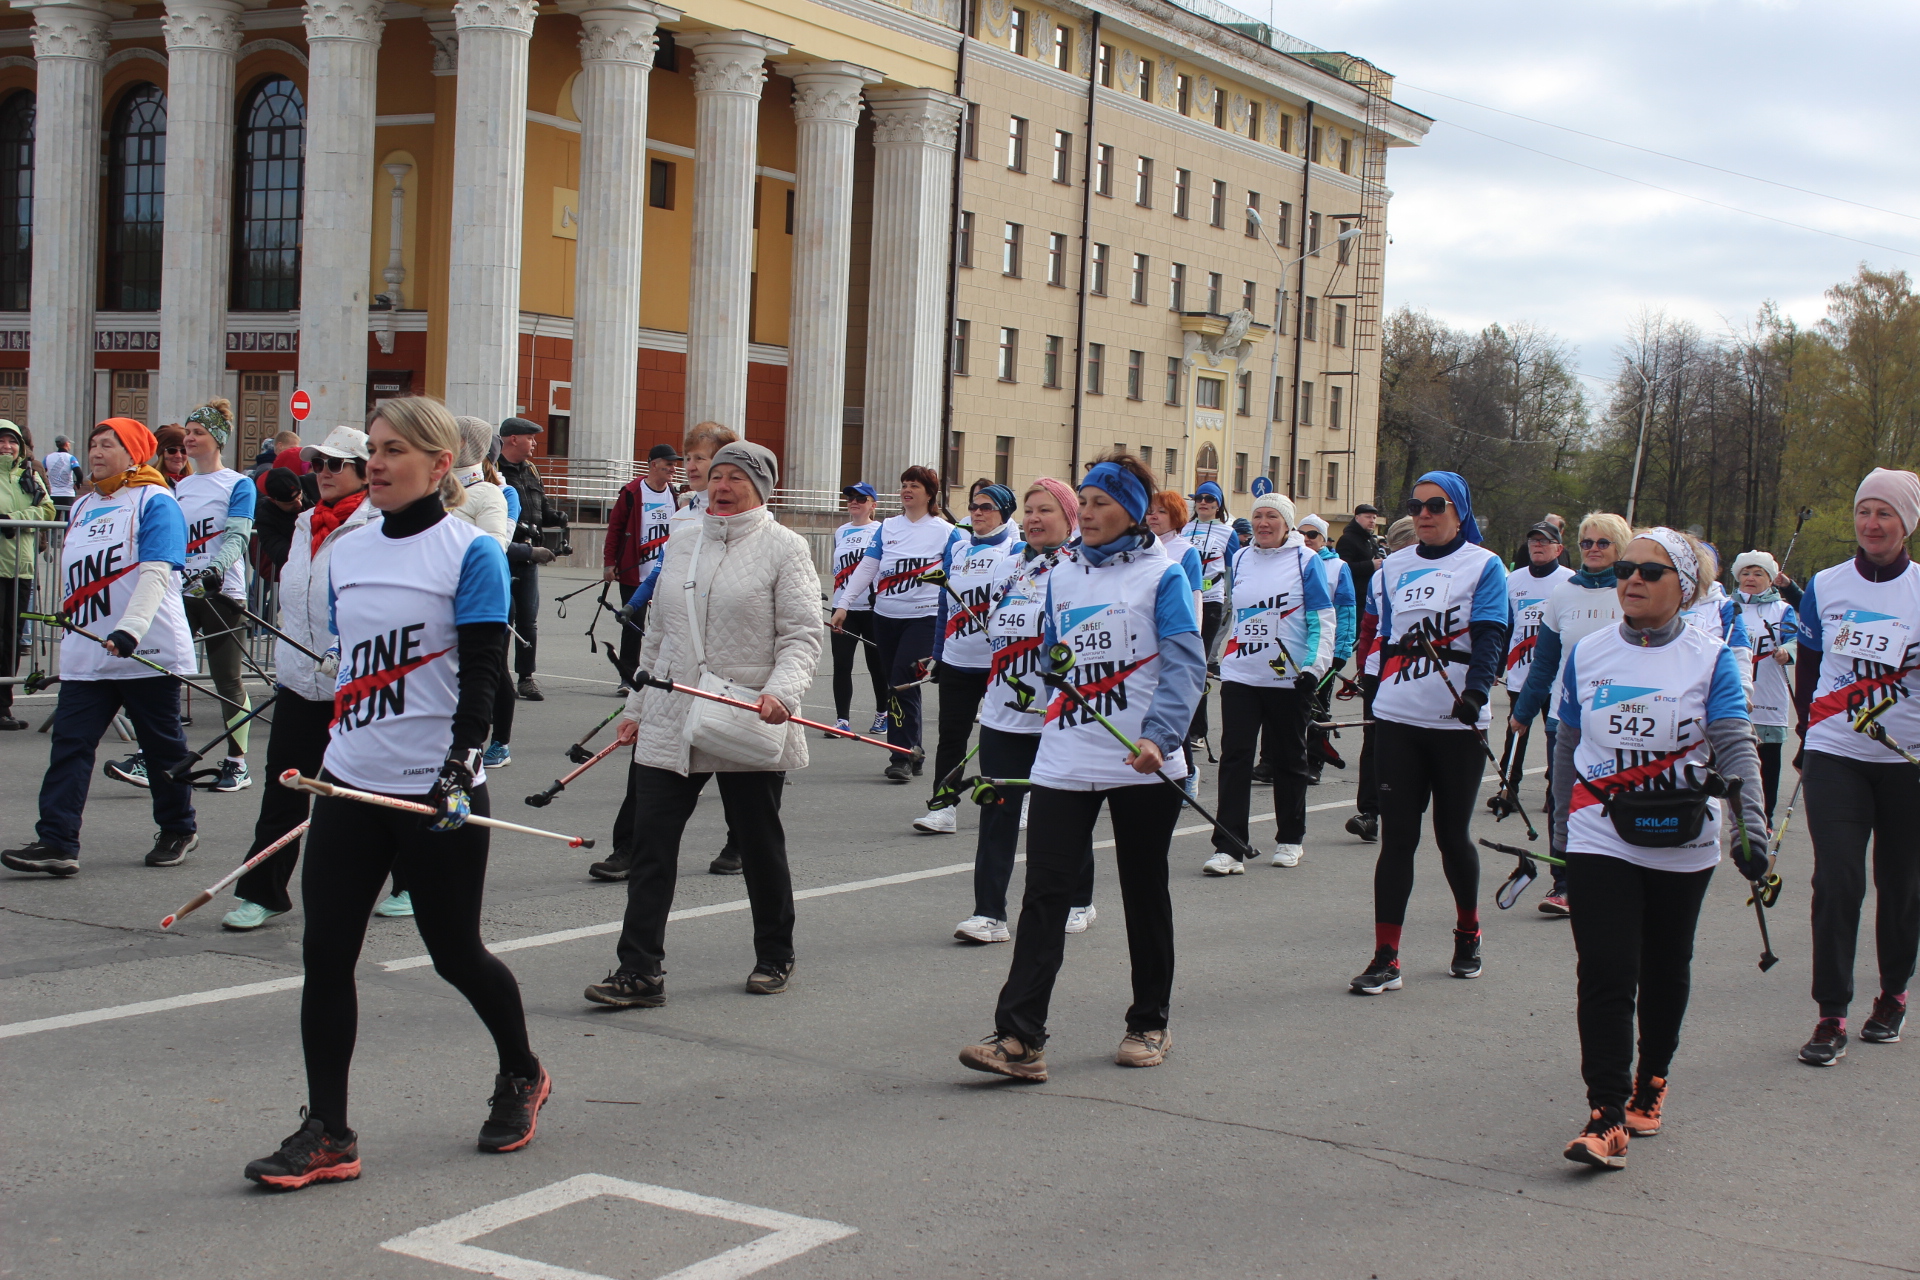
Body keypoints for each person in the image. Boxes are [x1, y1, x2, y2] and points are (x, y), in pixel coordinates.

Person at [242, 395, 547, 1190]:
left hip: (435, 791)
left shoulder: (469, 553)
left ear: (439, 465)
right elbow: (354, 668)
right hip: (350, 784)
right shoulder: (352, 549)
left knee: (455, 954)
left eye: (392, 451)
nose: (372, 463)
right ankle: (328, 1130)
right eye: (370, 449)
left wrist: (461, 760)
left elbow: (483, 670)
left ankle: (522, 1071)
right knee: (325, 955)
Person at [958, 454, 1204, 1081]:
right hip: (1066, 756)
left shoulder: (1163, 575)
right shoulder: (1061, 576)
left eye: (1101, 503)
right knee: (1044, 894)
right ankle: (1020, 1038)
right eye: (1084, 502)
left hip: (1142, 761)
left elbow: (1184, 666)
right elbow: (1052, 657)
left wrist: (1159, 736)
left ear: (1131, 510)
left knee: (1145, 890)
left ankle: (1149, 1021)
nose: (1088, 514)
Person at [1554, 526, 1769, 1170]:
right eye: (1625, 569)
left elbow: (1735, 747)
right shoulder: (1588, 652)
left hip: (1682, 836)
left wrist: (1749, 829)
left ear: (1686, 588)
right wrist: (1563, 834)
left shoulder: (1711, 658)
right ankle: (1607, 1113)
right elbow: (1568, 744)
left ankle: (1653, 1078)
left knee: (1665, 965)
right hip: (1601, 833)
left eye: (1651, 572)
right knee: (1606, 969)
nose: (1633, 580)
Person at [582, 441, 823, 1008]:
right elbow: (659, 637)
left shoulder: (785, 548)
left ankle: (775, 953)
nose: (722, 485)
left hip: (743, 713)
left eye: (737, 477)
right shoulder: (683, 540)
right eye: (717, 475)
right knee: (652, 847)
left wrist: (781, 694)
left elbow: (802, 635)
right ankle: (639, 970)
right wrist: (637, 711)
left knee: (759, 846)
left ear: (761, 487)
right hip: (671, 712)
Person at [1, 417, 200, 876]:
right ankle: (57, 841)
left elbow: (156, 572)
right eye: (92, 444)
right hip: (88, 652)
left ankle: (178, 826)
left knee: (162, 748)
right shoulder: (84, 503)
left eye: (108, 445)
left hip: (144, 651)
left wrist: (129, 629)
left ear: (133, 452)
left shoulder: (157, 501)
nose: (95, 452)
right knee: (69, 746)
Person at [221, 426, 386, 930]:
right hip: (298, 682)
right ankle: (263, 892)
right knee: (284, 789)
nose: (324, 473)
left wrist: (347, 650)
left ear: (364, 469)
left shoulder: (381, 525)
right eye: (318, 464)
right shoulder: (304, 522)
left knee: (370, 797)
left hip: (356, 687)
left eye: (336, 464)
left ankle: (408, 881)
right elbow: (295, 599)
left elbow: (380, 606)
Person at [1351, 471, 1509, 994]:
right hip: (1400, 717)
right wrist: (1373, 688)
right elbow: (1383, 636)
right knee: (1397, 840)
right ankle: (1386, 957)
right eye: (1416, 505)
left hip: (1456, 721)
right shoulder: (1391, 567)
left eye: (1436, 505)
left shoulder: (1484, 566)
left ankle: (1468, 932)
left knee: (1450, 836)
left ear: (1459, 511)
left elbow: (1490, 636)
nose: (1424, 513)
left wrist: (1477, 693)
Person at [1792, 467, 1920, 1067]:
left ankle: (1892, 995)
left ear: (1907, 524)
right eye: (1864, 510)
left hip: (1907, 762)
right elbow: (1810, 668)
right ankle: (1830, 1013)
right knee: (1837, 879)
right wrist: (1809, 732)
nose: (1872, 523)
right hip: (1836, 753)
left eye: (1885, 513)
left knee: (1900, 885)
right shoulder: (1826, 585)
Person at [598, 422, 745, 880]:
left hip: (726, 662)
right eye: (690, 457)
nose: (692, 466)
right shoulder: (683, 512)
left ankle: (739, 843)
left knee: (736, 764)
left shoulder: (750, 519)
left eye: (703, 457)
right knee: (653, 756)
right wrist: (637, 605)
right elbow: (664, 573)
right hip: (676, 658)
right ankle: (628, 849)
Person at [955, 476, 1099, 942]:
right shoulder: (1009, 568)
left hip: (1057, 713)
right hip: (1002, 711)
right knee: (996, 809)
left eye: (1046, 511)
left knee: (1062, 814)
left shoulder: (1081, 570)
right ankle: (989, 913)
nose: (1035, 519)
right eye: (1030, 510)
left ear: (1069, 518)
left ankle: (1079, 899)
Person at [1206, 491, 1333, 875]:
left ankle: (1290, 838)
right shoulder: (1241, 556)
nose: (1263, 523)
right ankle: (1229, 846)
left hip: (1287, 678)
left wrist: (1314, 668)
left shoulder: (1305, 560)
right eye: (1257, 516)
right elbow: (1233, 612)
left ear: (1287, 524)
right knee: (1235, 758)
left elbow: (1322, 619)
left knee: (1289, 759)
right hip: (1242, 673)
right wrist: (1216, 657)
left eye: (1271, 517)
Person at [1511, 512, 1631, 915]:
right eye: (1586, 543)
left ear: (1619, 548)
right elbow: (1544, 663)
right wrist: (1524, 712)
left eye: (1603, 543)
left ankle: (1615, 878)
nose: (1593, 550)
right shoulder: (1563, 594)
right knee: (1564, 800)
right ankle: (1564, 884)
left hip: (1621, 722)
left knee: (1616, 800)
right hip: (1568, 719)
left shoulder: (1632, 590)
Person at [833, 465, 963, 782]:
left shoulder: (946, 531)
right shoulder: (888, 527)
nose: (906, 490)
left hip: (925, 618)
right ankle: (913, 750)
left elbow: (958, 576)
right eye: (904, 484)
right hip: (886, 617)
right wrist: (844, 604)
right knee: (901, 687)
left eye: (914, 485)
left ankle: (901, 757)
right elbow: (868, 567)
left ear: (930, 493)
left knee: (900, 682)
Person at [914, 482, 1022, 834]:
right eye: (974, 506)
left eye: (987, 507)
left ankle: (1017, 800)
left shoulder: (1016, 550)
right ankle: (943, 807)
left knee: (1003, 737)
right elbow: (944, 606)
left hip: (999, 664)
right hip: (959, 660)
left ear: (1004, 513)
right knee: (951, 736)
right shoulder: (958, 550)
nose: (977, 512)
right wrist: (938, 654)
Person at [174, 399, 258, 793]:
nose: (188, 439)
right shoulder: (182, 486)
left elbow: (238, 535)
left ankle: (237, 763)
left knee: (227, 681)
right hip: (182, 593)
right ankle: (159, 753)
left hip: (223, 594)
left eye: (197, 434)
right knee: (166, 673)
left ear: (217, 440)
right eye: (187, 433)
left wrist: (215, 569)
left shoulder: (238, 484)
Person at [445, 417, 517, 778]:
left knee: (489, 670)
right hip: (440, 601)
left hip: (482, 597)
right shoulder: (436, 489)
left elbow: (495, 547)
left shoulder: (492, 492)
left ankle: (494, 741)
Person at [1345, 515, 1417, 844]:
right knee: (1374, 740)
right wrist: (1363, 669)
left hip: (1416, 670)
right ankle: (1369, 812)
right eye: (1399, 547)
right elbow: (1369, 627)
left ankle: (1405, 804)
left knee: (1410, 743)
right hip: (1379, 668)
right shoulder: (1381, 576)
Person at [1500, 521, 1575, 815]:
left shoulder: (1569, 581)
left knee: (1555, 735)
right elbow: (1505, 625)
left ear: (1558, 548)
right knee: (1516, 731)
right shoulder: (1514, 580)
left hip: (1557, 676)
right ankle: (1508, 788)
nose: (1538, 546)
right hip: (1521, 673)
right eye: (1533, 542)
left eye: (1544, 542)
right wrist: (1496, 666)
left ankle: (1554, 792)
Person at [496, 417, 566, 701]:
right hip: (504, 555)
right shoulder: (494, 471)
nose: (535, 443)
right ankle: (500, 677)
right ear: (513, 439)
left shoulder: (531, 471)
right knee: (503, 618)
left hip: (529, 559)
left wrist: (555, 517)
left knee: (528, 620)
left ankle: (526, 677)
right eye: (531, 438)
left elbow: (542, 506)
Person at [603, 443, 679, 688]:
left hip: (665, 573)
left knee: (668, 626)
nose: (673, 468)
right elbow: (615, 529)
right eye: (668, 463)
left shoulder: (674, 494)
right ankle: (628, 677)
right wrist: (609, 563)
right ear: (653, 464)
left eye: (674, 463)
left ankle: (663, 675)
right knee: (633, 626)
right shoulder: (633, 492)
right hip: (633, 573)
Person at [1731, 550, 1797, 820]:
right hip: (1733, 695)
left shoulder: (1782, 609)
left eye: (1758, 573)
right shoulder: (1726, 606)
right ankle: (1736, 817)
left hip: (1768, 695)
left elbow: (1794, 639)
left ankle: (1765, 818)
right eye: (1746, 572)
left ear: (1770, 580)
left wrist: (1786, 651)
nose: (1751, 578)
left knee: (1766, 763)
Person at [0, 420, 54, 729]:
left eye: (12, 441)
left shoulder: (29, 477)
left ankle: (3, 706)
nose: (7, 446)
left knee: (11, 639)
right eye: (2, 441)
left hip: (21, 570)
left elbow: (47, 512)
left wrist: (11, 519)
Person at [1298, 513, 1357, 785]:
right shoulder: (1292, 559)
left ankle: (1314, 762)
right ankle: (1271, 761)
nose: (1307, 539)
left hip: (1323, 648)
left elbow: (1346, 610)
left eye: (1313, 535)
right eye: (1302, 533)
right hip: (1294, 645)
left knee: (1317, 705)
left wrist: (1342, 650)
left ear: (1323, 539)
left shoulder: (1338, 567)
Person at [1181, 481, 1239, 752]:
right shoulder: (1183, 529)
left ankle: (1198, 731)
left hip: (1212, 603)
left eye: (1209, 499)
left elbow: (1234, 570)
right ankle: (1181, 725)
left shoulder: (1228, 533)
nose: (1202, 502)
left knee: (1198, 665)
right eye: (1199, 498)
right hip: (1185, 601)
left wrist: (1232, 605)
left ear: (1218, 505)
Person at [827, 482, 887, 737]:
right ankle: (842, 720)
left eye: (861, 499)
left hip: (873, 610)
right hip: (843, 608)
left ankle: (882, 714)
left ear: (873, 505)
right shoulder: (841, 531)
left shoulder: (882, 530)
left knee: (877, 665)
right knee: (841, 665)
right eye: (850, 498)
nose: (854, 502)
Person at [1337, 502, 1384, 603]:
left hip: (1370, 591)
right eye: (1368, 517)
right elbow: (1342, 567)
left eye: (1374, 518)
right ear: (1357, 518)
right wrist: (1370, 565)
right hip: (1354, 594)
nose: (1372, 521)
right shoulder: (1347, 539)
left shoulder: (1370, 539)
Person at [41, 433, 81, 519]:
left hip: (53, 493)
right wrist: (78, 484)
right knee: (68, 520)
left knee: (53, 519)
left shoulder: (47, 458)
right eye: (69, 443)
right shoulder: (71, 458)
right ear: (66, 444)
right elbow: (79, 474)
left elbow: (41, 473)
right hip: (67, 494)